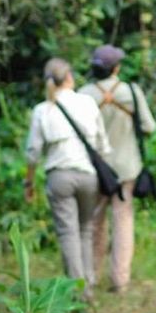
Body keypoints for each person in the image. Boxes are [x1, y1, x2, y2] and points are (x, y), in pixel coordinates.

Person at [25, 57, 113, 299]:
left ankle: (77, 289)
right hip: (88, 176)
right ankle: (89, 281)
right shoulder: (87, 103)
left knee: (67, 232)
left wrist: (29, 182)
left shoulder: (43, 110)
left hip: (59, 177)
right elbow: (103, 146)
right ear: (70, 77)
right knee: (86, 229)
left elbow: (33, 152)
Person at [78, 44, 156, 295]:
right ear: (117, 68)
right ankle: (120, 280)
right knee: (123, 219)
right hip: (127, 168)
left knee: (94, 222)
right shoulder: (131, 92)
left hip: (96, 169)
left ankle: (90, 277)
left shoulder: (84, 94)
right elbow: (149, 127)